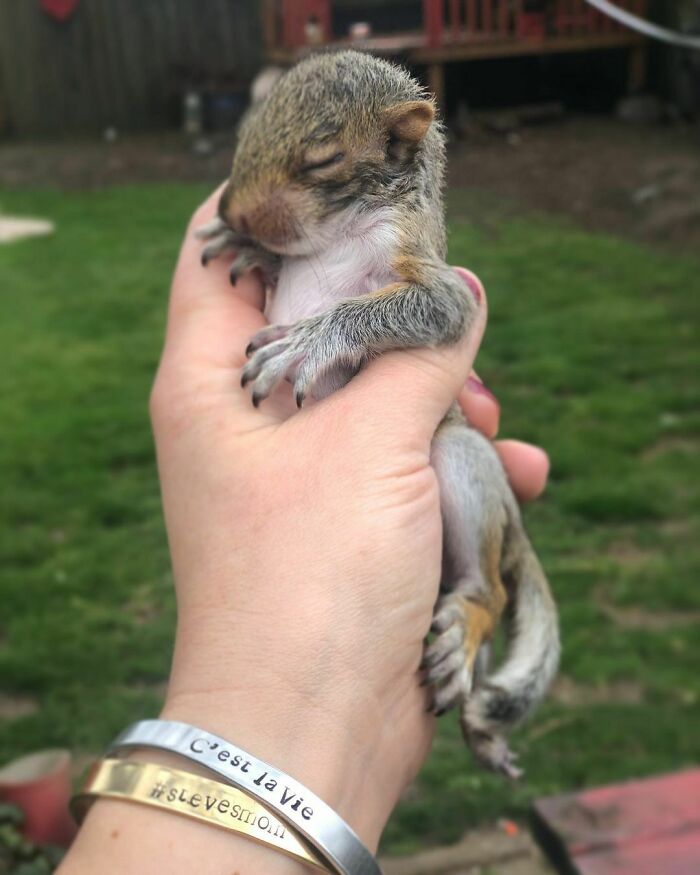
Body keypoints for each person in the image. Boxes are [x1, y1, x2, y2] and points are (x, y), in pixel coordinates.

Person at [59, 190, 549, 874]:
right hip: (324, 451)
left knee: (466, 456)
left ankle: (478, 601)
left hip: (424, 465)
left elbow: (438, 306)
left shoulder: (391, 226)